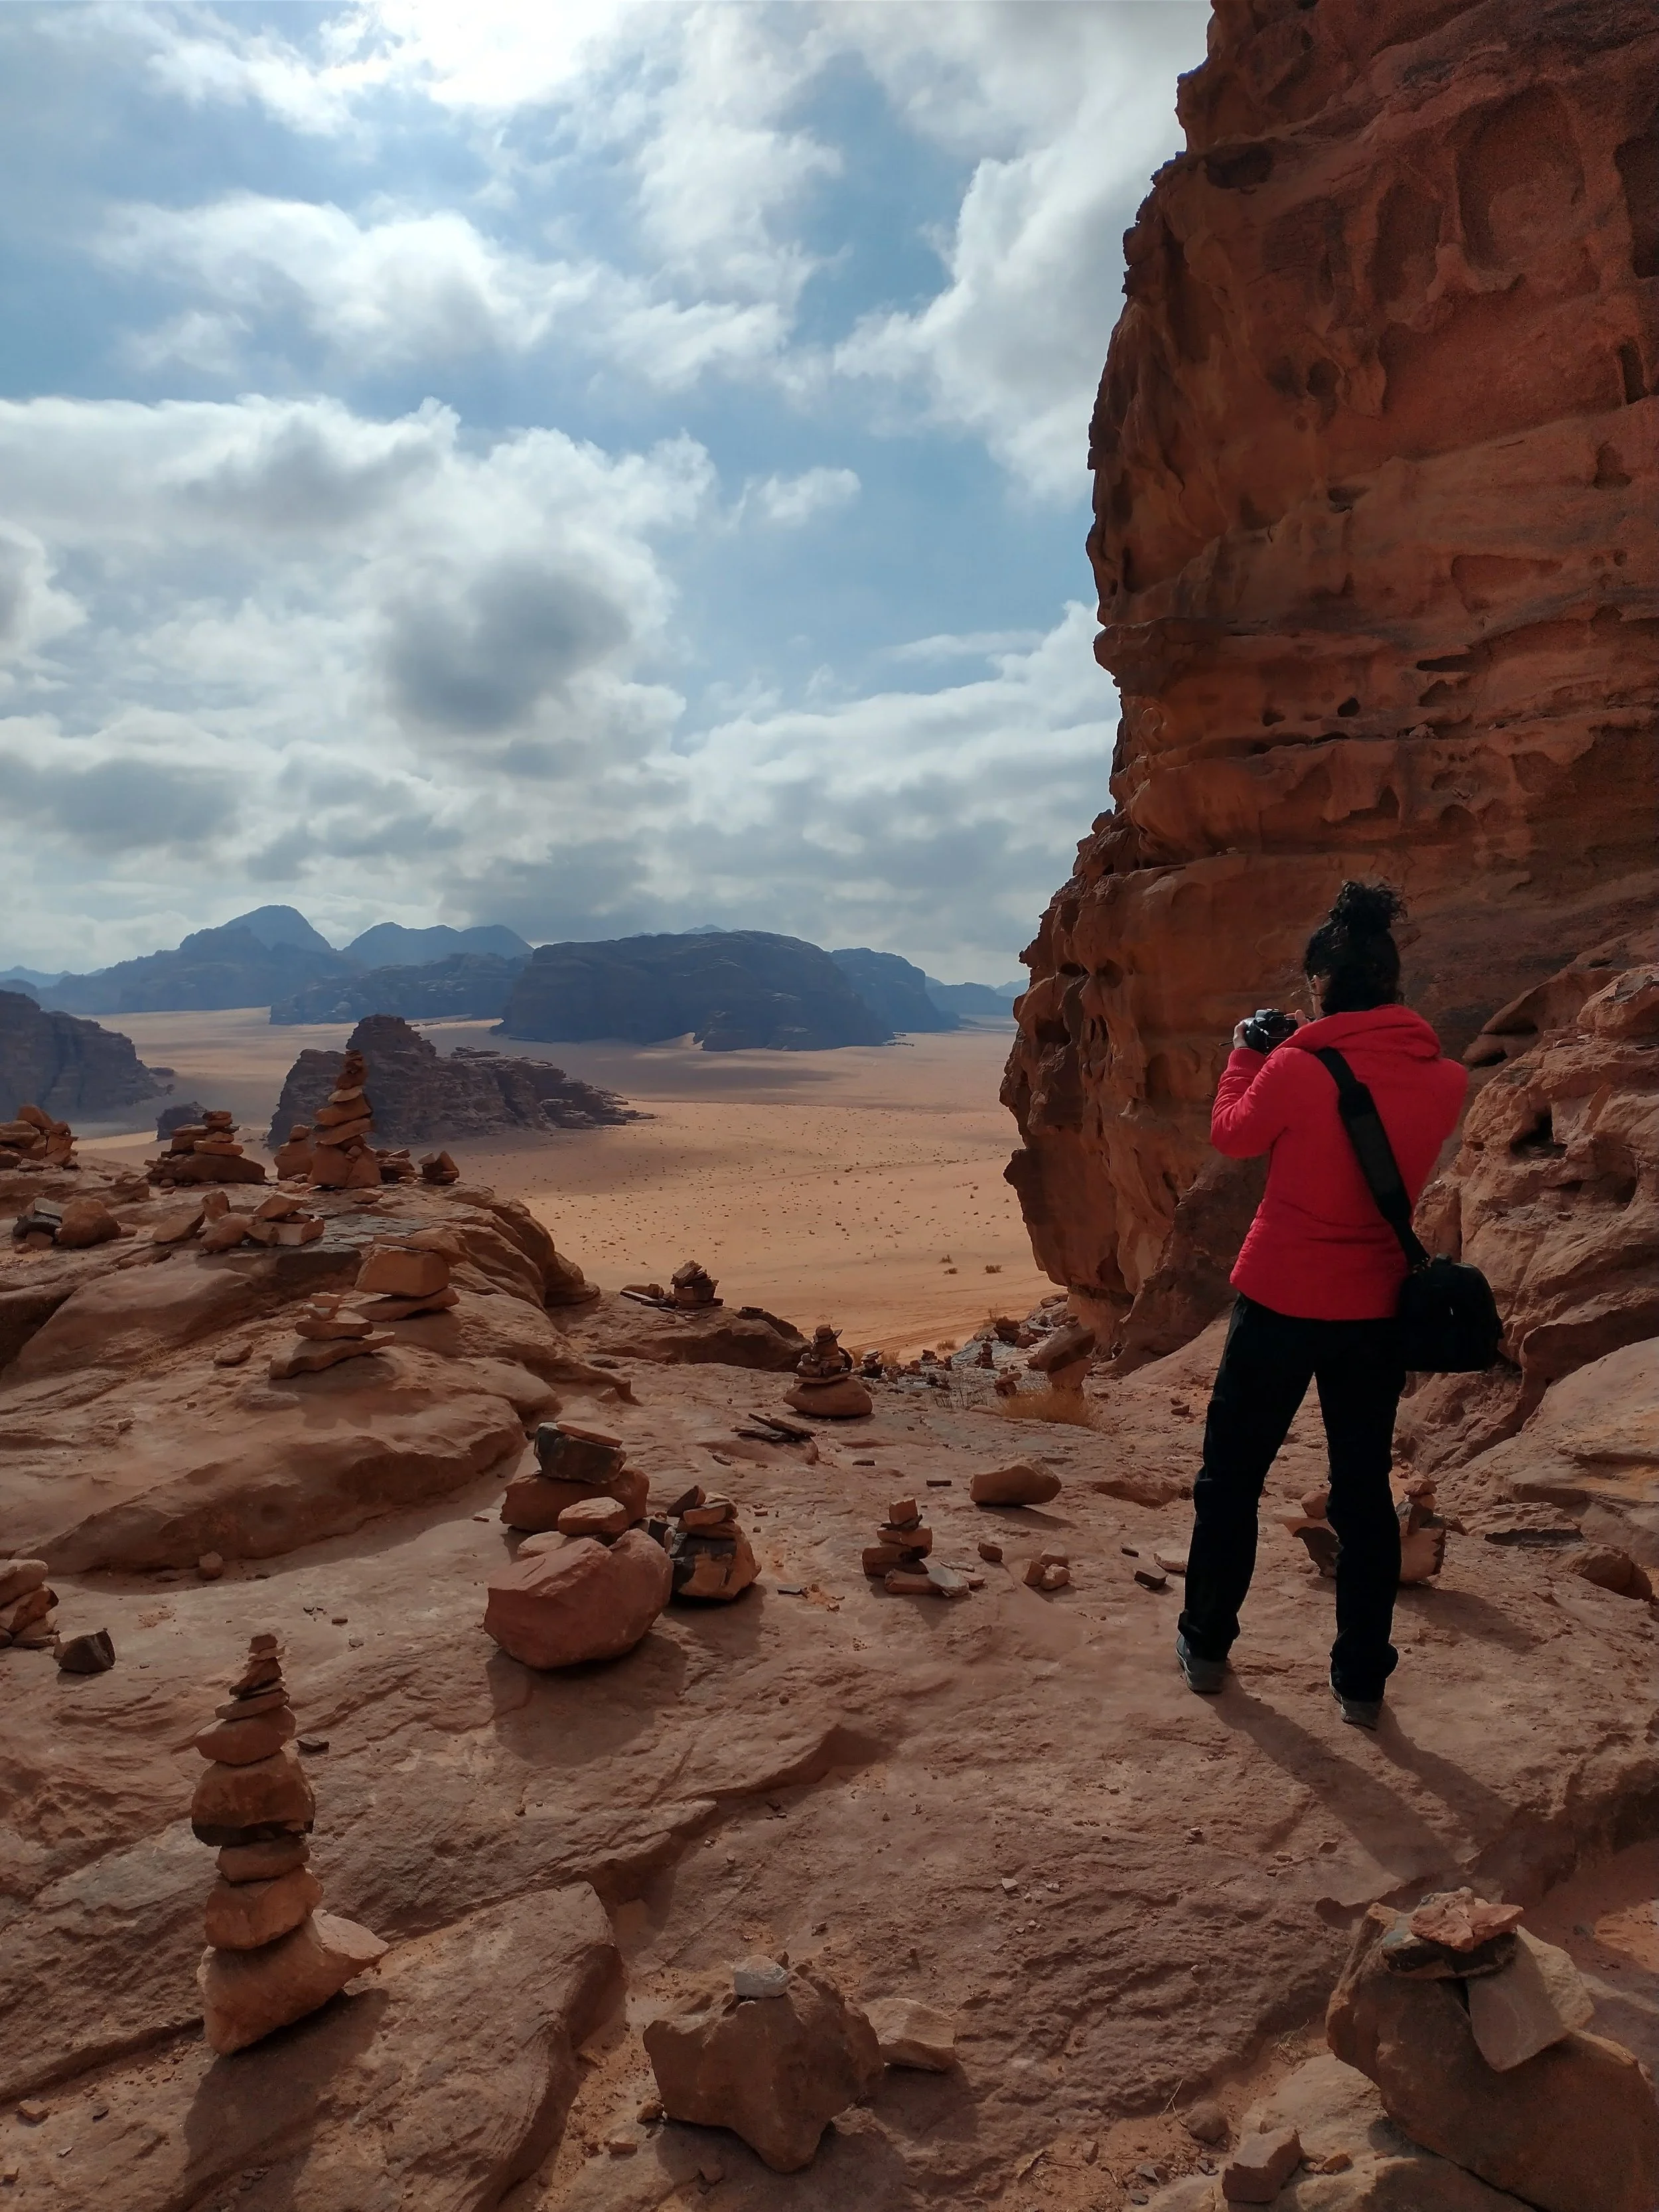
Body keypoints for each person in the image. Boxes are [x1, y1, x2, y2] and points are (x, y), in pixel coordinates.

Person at [1174, 881, 1467, 1728]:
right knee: (1361, 1494)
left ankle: (1205, 1644)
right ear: (1395, 984)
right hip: (1374, 1310)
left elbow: (1232, 1133)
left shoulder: (1297, 1066)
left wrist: (1247, 1051)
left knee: (1230, 1479)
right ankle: (1362, 1682)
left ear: (1320, 988)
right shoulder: (1443, 1077)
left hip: (1277, 1300)